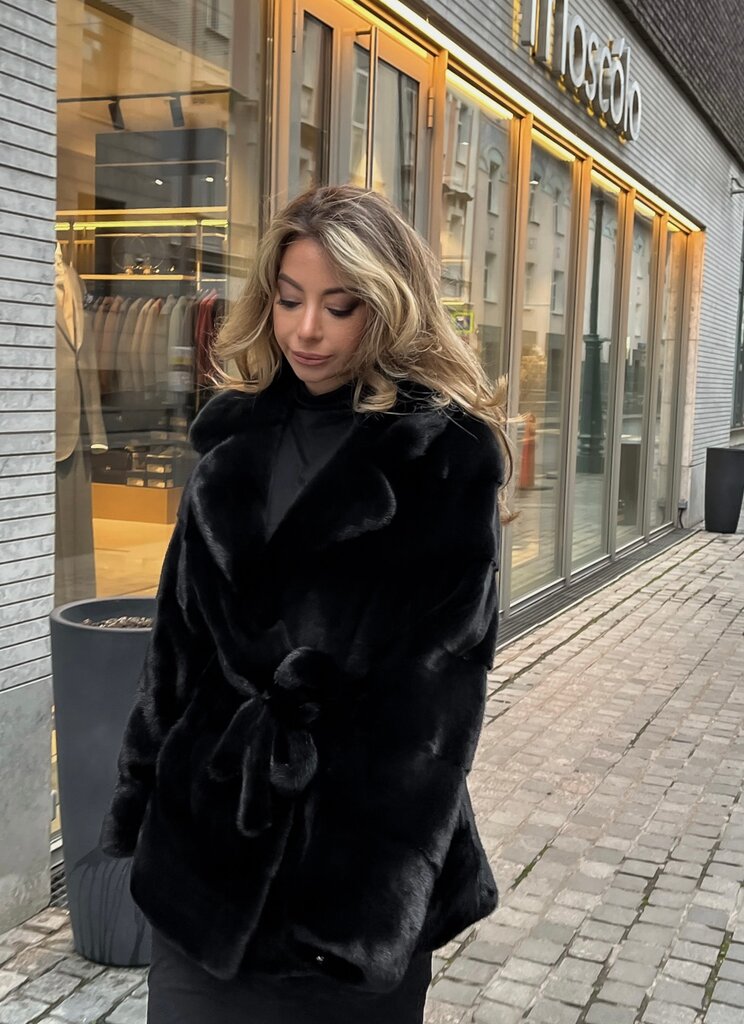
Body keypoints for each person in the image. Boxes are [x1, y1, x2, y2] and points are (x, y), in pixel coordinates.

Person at [101, 185, 511, 1024]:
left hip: (352, 886)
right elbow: (174, 652)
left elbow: (436, 706)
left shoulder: (445, 456)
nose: (307, 330)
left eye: (340, 305)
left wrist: (364, 912)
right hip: (205, 862)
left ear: (389, 306)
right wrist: (141, 808)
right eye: (289, 300)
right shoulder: (230, 440)